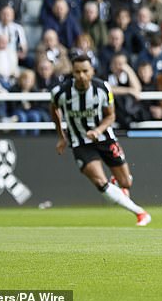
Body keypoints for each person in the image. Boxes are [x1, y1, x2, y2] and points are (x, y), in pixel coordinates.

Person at [50, 54, 151, 226]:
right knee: (99, 181)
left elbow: (111, 116)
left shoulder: (102, 88)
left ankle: (117, 185)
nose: (81, 75)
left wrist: (98, 130)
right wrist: (61, 136)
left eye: (85, 71)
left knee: (126, 182)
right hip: (80, 142)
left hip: (105, 138)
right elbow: (54, 110)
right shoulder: (60, 92)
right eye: (77, 72)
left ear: (92, 71)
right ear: (72, 73)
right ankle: (140, 213)